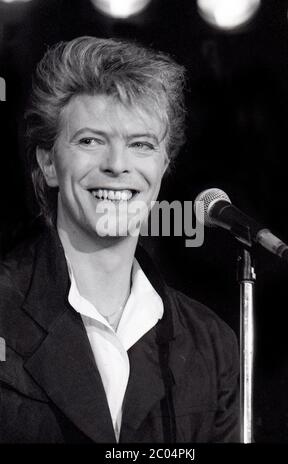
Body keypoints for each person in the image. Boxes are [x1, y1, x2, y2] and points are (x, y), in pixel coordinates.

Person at [0, 36, 239, 443]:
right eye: (91, 141)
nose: (117, 165)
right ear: (48, 162)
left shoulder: (212, 343)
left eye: (141, 144)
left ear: (164, 165)